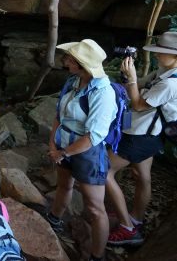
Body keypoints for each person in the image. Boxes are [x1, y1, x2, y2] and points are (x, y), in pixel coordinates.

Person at [105, 31, 177, 246]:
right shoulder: (166, 73)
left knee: (103, 171)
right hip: (150, 134)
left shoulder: (173, 84)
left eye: (163, 52)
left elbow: (139, 104)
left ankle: (127, 229)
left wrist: (132, 80)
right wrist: (129, 78)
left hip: (141, 137)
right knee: (142, 176)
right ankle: (136, 219)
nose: (158, 55)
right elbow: (138, 86)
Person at [46, 39, 117, 261]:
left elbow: (93, 137)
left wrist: (63, 153)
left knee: (95, 208)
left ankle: (97, 255)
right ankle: (54, 219)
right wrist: (53, 144)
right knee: (64, 185)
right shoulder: (74, 82)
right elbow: (60, 114)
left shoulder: (103, 94)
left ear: (81, 65)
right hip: (64, 144)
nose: (65, 60)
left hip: (87, 154)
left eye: (70, 58)